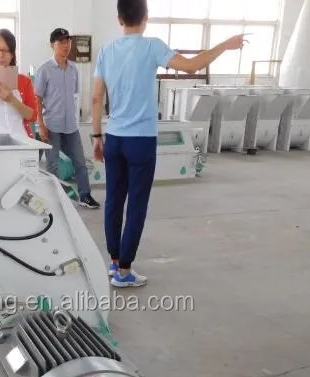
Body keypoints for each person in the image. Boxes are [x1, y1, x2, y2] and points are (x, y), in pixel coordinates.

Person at [92, 0, 245, 287]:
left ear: (119, 19)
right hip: (141, 141)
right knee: (136, 205)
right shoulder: (152, 46)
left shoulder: (106, 51)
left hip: (114, 138)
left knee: (113, 201)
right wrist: (225, 45)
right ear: (146, 18)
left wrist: (97, 136)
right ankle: (124, 271)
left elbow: (96, 97)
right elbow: (192, 66)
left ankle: (113, 262)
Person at [35, 28, 100, 210]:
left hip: (71, 125)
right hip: (52, 125)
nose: (66, 45)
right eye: (61, 42)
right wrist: (40, 124)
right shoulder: (44, 69)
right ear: (52, 45)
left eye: (67, 41)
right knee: (52, 165)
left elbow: (74, 95)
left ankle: (85, 195)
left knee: (80, 162)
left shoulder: (73, 69)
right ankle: (54, 200)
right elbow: (37, 98)